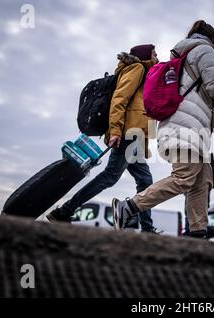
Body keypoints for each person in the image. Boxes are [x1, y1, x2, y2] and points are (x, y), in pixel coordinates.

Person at [112, 20, 214, 238]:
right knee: (184, 177)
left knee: (203, 180)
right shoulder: (204, 50)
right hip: (186, 129)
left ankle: (198, 232)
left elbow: (203, 99)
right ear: (212, 38)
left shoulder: (183, 56)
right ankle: (129, 206)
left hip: (190, 129)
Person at [47, 44, 161, 233]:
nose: (157, 56)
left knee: (144, 180)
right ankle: (64, 211)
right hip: (127, 134)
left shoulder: (144, 73)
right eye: (154, 54)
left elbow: (139, 109)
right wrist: (116, 131)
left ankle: (147, 228)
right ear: (145, 56)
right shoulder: (138, 68)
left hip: (135, 137)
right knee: (110, 176)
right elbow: (120, 98)